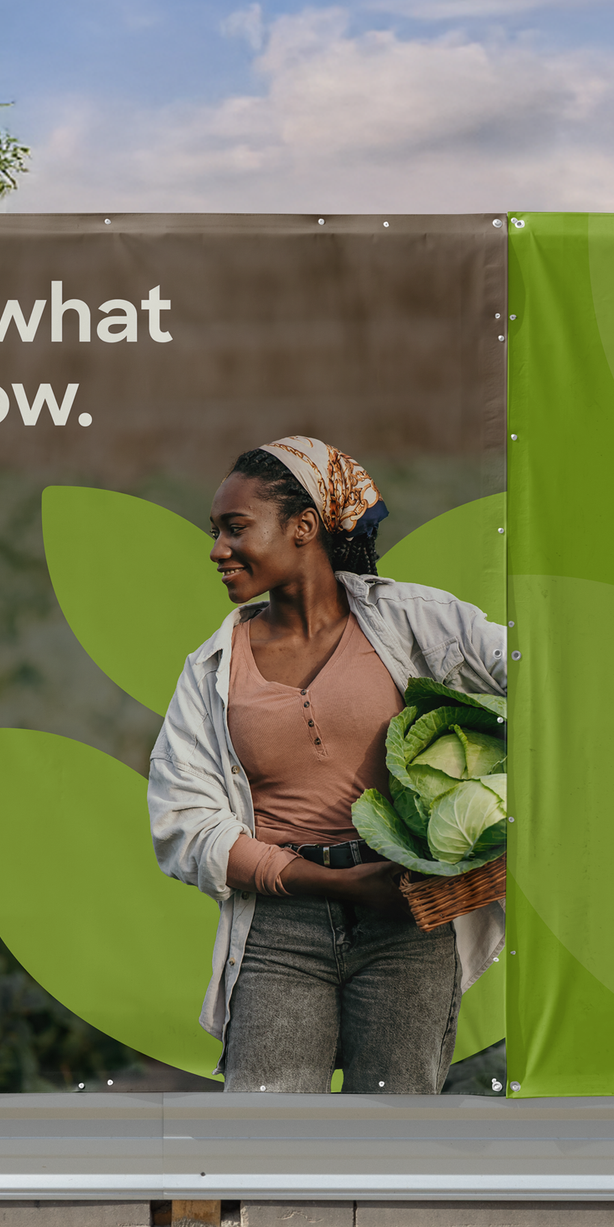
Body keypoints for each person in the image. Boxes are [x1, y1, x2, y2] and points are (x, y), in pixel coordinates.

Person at [148, 436, 507, 1094]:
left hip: (407, 917)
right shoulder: (212, 669)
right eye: (215, 531)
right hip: (282, 931)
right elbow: (184, 823)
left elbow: (539, 676)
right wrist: (330, 883)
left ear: (303, 526)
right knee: (265, 1144)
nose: (217, 549)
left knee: (396, 1141)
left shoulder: (405, 620)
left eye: (235, 528)